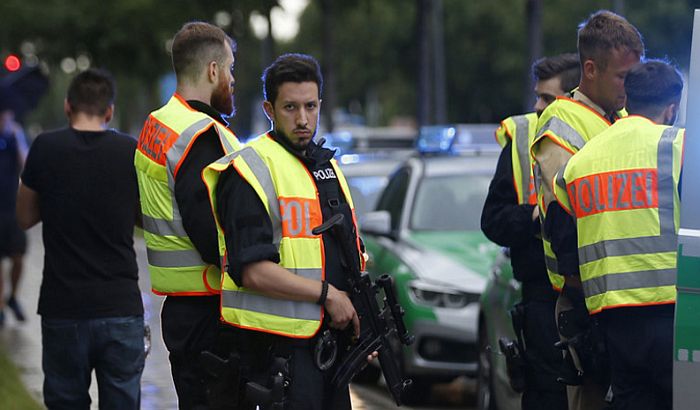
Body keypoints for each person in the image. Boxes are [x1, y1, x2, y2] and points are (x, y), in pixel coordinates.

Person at [202, 53, 364, 410]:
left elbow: (346, 254)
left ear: (320, 104)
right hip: (273, 356)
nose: (303, 119)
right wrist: (328, 295)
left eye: (310, 106)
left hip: (326, 350)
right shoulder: (249, 170)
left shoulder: (327, 166)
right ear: (269, 109)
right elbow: (252, 270)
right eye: (290, 107)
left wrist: (359, 324)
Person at [551, 59, 683, 410]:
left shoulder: (580, 162)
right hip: (678, 313)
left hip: (614, 322)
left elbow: (562, 241)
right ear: (671, 109)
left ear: (626, 101)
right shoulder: (683, 148)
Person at [531, 10, 644, 410]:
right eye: (622, 77)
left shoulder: (624, 116)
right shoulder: (560, 123)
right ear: (591, 69)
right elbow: (566, 221)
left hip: (628, 297)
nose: (630, 87)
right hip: (582, 296)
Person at [15, 68, 145, 409]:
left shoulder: (45, 148)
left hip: (64, 308)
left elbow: (24, 217)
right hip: (120, 306)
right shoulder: (130, 151)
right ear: (110, 111)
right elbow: (145, 220)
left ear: (67, 106)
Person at [134, 21, 241, 409]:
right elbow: (213, 235)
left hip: (183, 311)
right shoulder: (201, 137)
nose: (232, 79)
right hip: (211, 313)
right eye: (230, 69)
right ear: (212, 70)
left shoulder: (158, 124)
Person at [481, 52, 579, 410]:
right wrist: (537, 218)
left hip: (597, 297)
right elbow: (493, 219)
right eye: (537, 96)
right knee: (547, 397)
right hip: (541, 297)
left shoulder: (608, 129)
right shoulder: (522, 136)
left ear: (574, 99)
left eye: (548, 99)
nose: (537, 106)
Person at [0, 95, 28, 326]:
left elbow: (25, 163)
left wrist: (16, 135)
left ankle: (13, 297)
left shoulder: (13, 135)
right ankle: (0, 305)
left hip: (12, 206)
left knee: (18, 256)